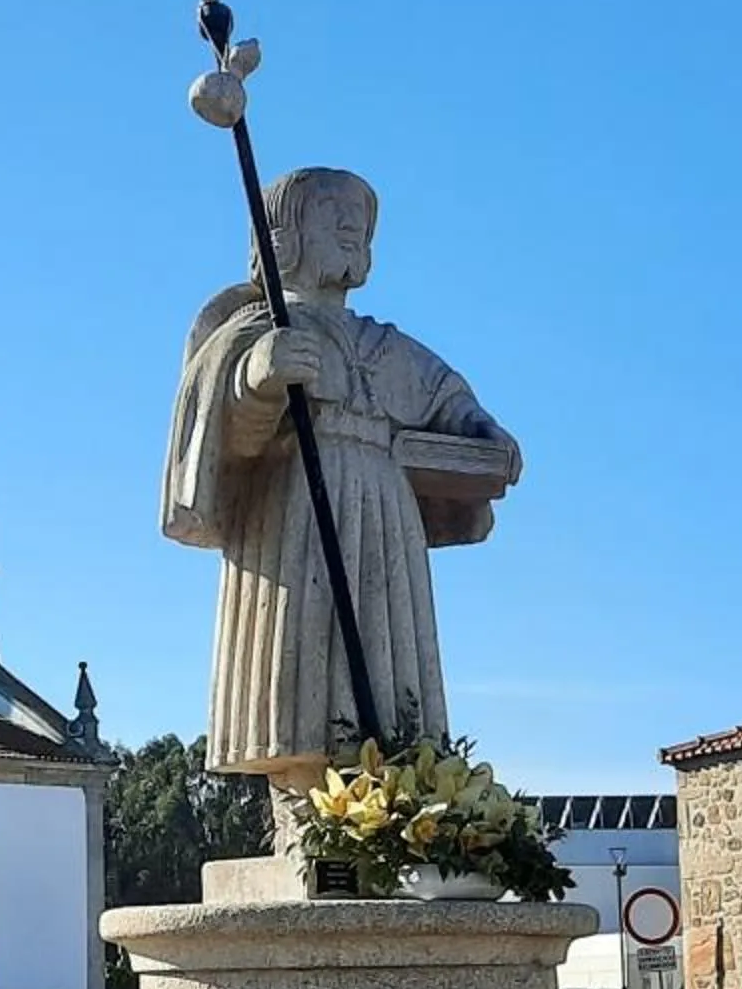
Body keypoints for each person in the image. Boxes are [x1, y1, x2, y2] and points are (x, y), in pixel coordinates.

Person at [161, 166, 519, 783]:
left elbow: (443, 396)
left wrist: (480, 427)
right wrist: (259, 379)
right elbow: (227, 438)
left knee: (390, 678)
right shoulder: (256, 331)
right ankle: (302, 807)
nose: (354, 228)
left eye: (362, 221)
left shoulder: (384, 345)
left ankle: (389, 797)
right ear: (284, 240)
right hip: (293, 512)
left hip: (383, 510)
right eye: (334, 216)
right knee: (300, 673)